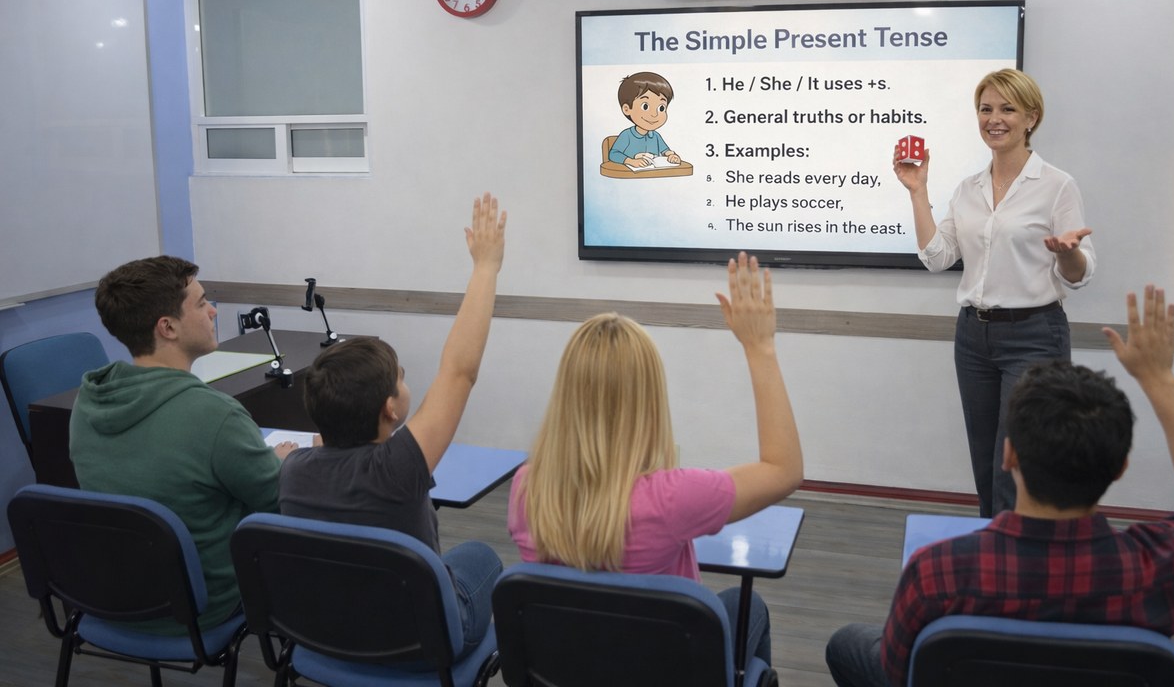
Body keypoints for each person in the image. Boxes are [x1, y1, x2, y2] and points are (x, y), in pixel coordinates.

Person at [826, 284, 1174, 687]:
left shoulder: (936, 573)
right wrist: (1160, 378)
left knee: (846, 644)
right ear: (1120, 467)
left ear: (1009, 456)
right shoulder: (1163, 569)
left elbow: (900, 674)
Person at [508, 252, 805, 665]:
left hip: (571, 666)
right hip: (659, 667)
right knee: (746, 605)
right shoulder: (673, 499)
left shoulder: (527, 488)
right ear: (648, 402)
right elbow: (784, 470)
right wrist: (760, 348)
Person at [279, 193, 506, 655]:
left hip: (323, 634)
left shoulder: (295, 471)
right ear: (390, 409)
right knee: (483, 557)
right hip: (418, 640)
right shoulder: (396, 469)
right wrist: (486, 267)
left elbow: (315, 454)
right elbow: (459, 370)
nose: (408, 383)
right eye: (401, 378)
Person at [894, 68, 1095, 516]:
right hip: (973, 338)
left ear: (1031, 118)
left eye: (1007, 108)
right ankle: (995, 555)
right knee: (986, 461)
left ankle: (1019, 568)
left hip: (1034, 335)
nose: (994, 118)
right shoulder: (969, 188)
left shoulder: (1057, 185)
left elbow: (1081, 273)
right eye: (986, 109)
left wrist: (1066, 255)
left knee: (1017, 463)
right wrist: (918, 192)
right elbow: (937, 256)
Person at [70, 255, 298, 635]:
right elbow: (278, 499)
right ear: (168, 327)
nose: (212, 311)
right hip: (202, 607)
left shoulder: (89, 401)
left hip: (114, 597)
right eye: (201, 302)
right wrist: (281, 463)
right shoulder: (215, 414)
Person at [608, 71, 682, 168]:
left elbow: (665, 151)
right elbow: (613, 154)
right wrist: (630, 161)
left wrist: (671, 155)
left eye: (661, 108)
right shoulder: (626, 135)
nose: (654, 114)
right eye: (645, 106)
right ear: (627, 109)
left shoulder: (655, 136)